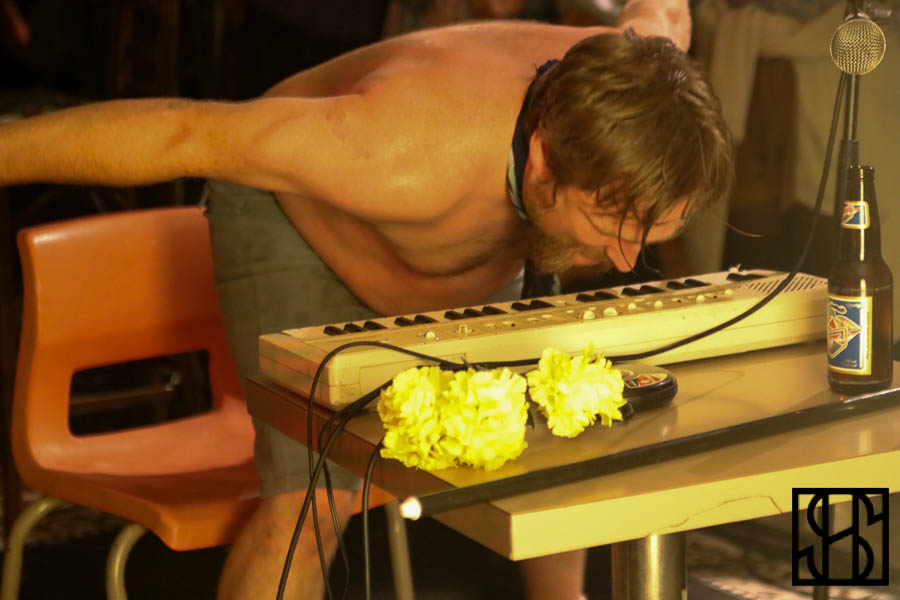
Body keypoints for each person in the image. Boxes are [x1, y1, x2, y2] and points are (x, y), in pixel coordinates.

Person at [0, 1, 733, 598]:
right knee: (314, 504)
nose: (626, 260)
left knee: (560, 436)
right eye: (608, 226)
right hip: (299, 220)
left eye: (648, 233)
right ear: (543, 162)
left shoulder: (640, 73)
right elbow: (183, 133)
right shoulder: (392, 147)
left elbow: (663, 9)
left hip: (453, 236)